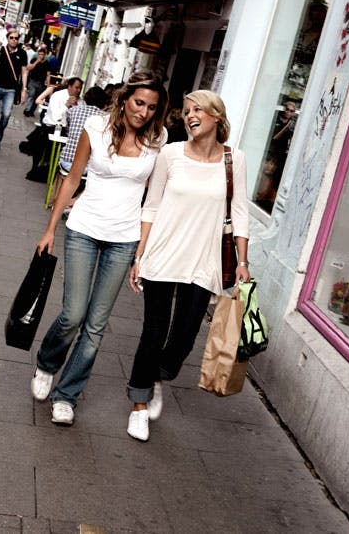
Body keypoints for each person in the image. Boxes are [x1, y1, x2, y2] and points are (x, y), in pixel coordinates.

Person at [30, 70, 168, 426]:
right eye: (139, 103)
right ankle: (47, 363)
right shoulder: (97, 126)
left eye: (152, 107)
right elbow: (74, 177)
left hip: (123, 239)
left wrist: (142, 250)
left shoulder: (158, 138)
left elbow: (152, 197)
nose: (144, 112)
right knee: (73, 314)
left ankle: (67, 395)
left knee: (96, 326)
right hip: (84, 228)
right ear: (125, 98)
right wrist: (49, 229)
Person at [125, 90, 250, 442]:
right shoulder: (171, 154)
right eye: (186, 110)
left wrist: (243, 261)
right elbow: (151, 207)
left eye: (198, 110)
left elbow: (239, 212)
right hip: (164, 254)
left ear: (216, 117)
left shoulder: (233, 160)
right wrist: (139, 255)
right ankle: (138, 404)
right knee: (153, 331)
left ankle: (156, 376)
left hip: (205, 260)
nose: (190, 116)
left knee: (184, 336)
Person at [24, 44, 52, 117]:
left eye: (42, 55)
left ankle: (31, 111)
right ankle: (27, 110)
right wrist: (36, 62)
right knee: (31, 95)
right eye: (39, 54)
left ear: (45, 55)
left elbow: (48, 75)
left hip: (41, 83)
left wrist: (48, 86)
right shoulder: (34, 60)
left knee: (37, 97)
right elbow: (29, 68)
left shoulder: (47, 63)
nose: (40, 56)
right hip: (32, 80)